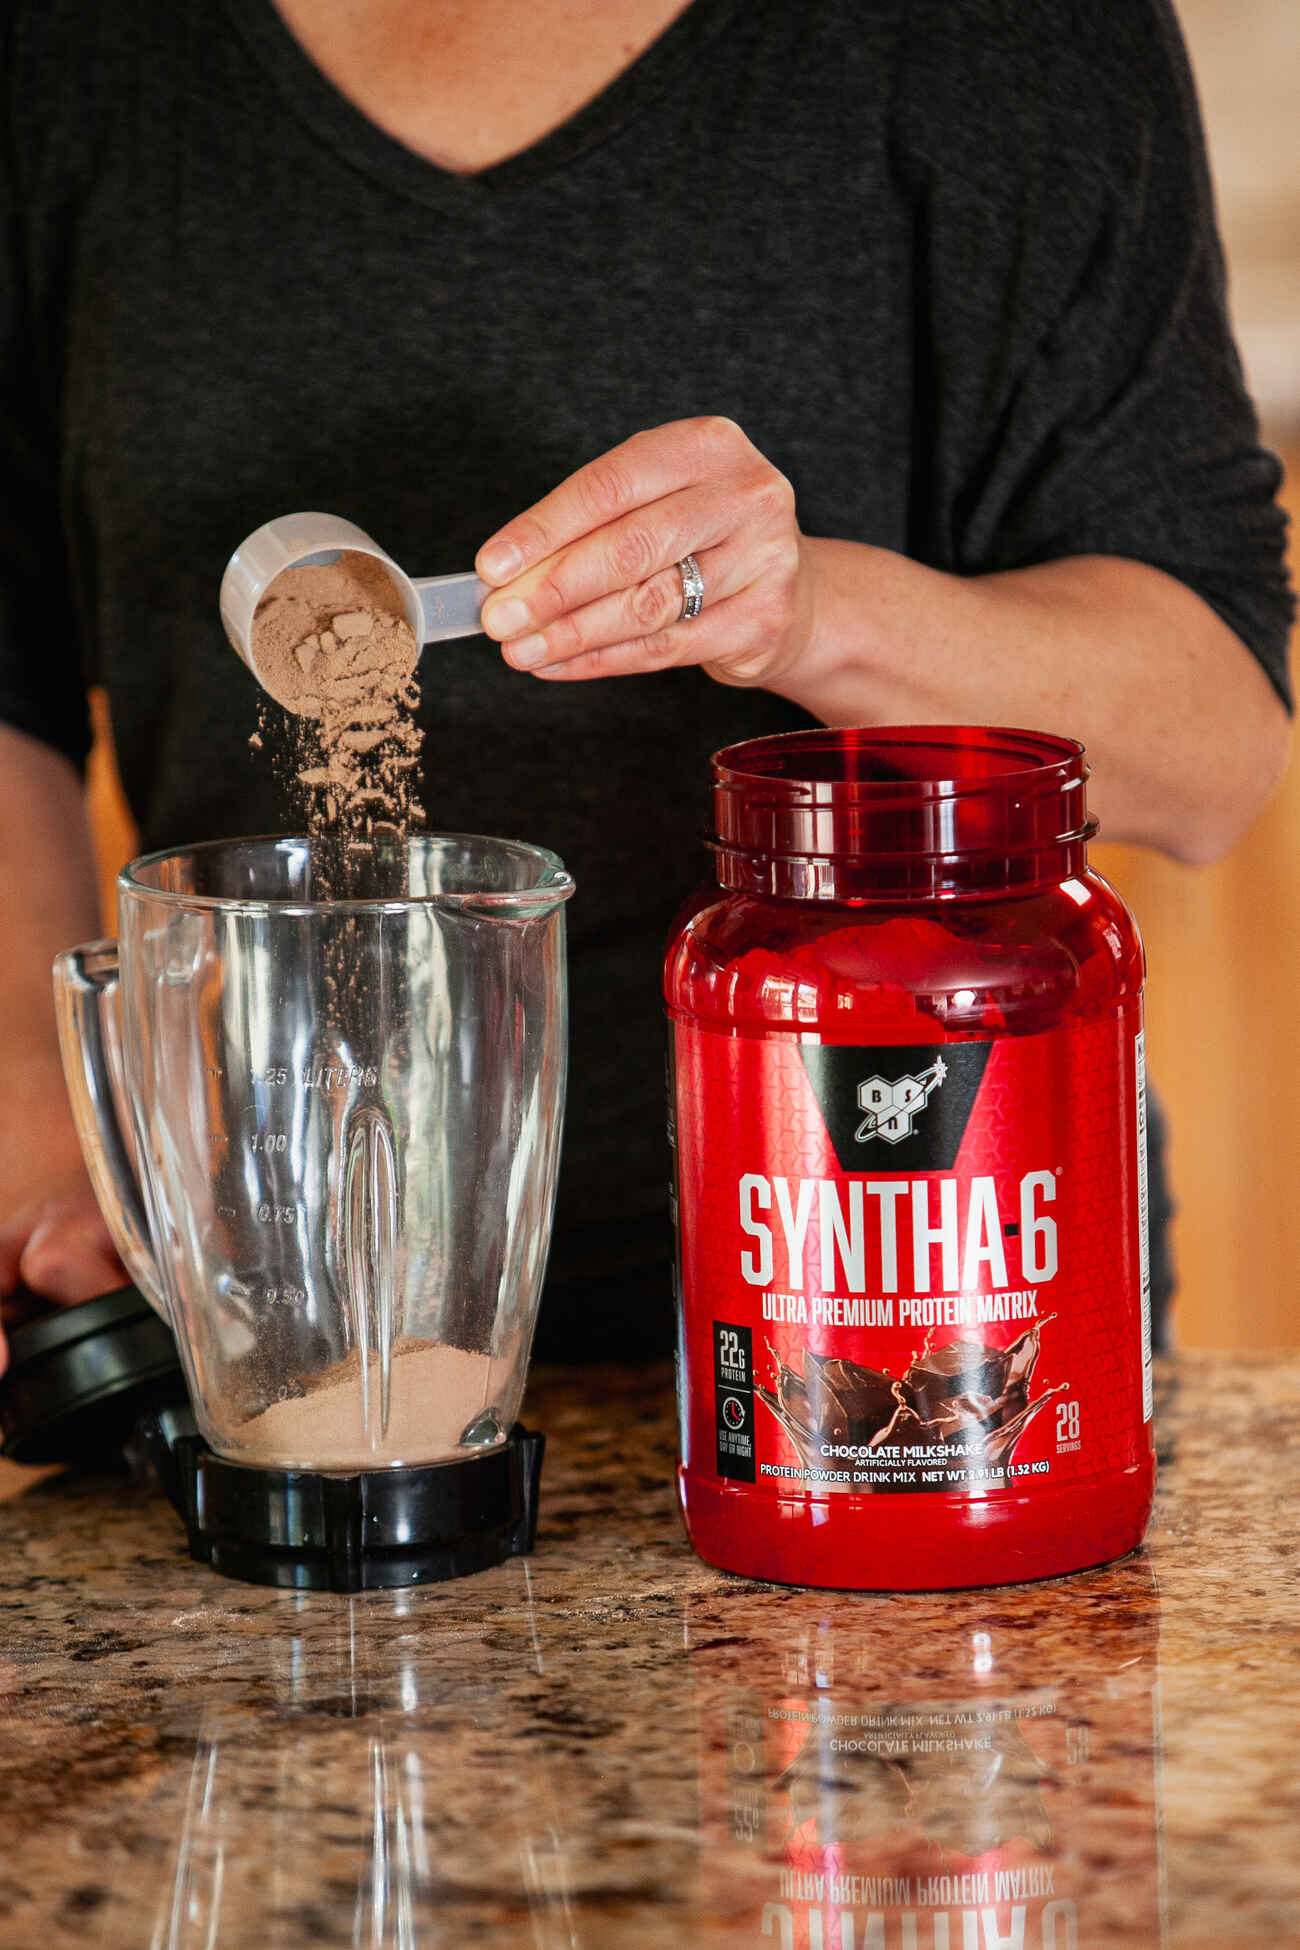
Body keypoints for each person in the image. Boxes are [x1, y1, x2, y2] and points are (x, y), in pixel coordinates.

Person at [0, 0, 1292, 1369]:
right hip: (269, 1336)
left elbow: (1213, 748)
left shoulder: (998, 37)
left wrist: (806, 611)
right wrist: (40, 1113)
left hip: (897, 1313)